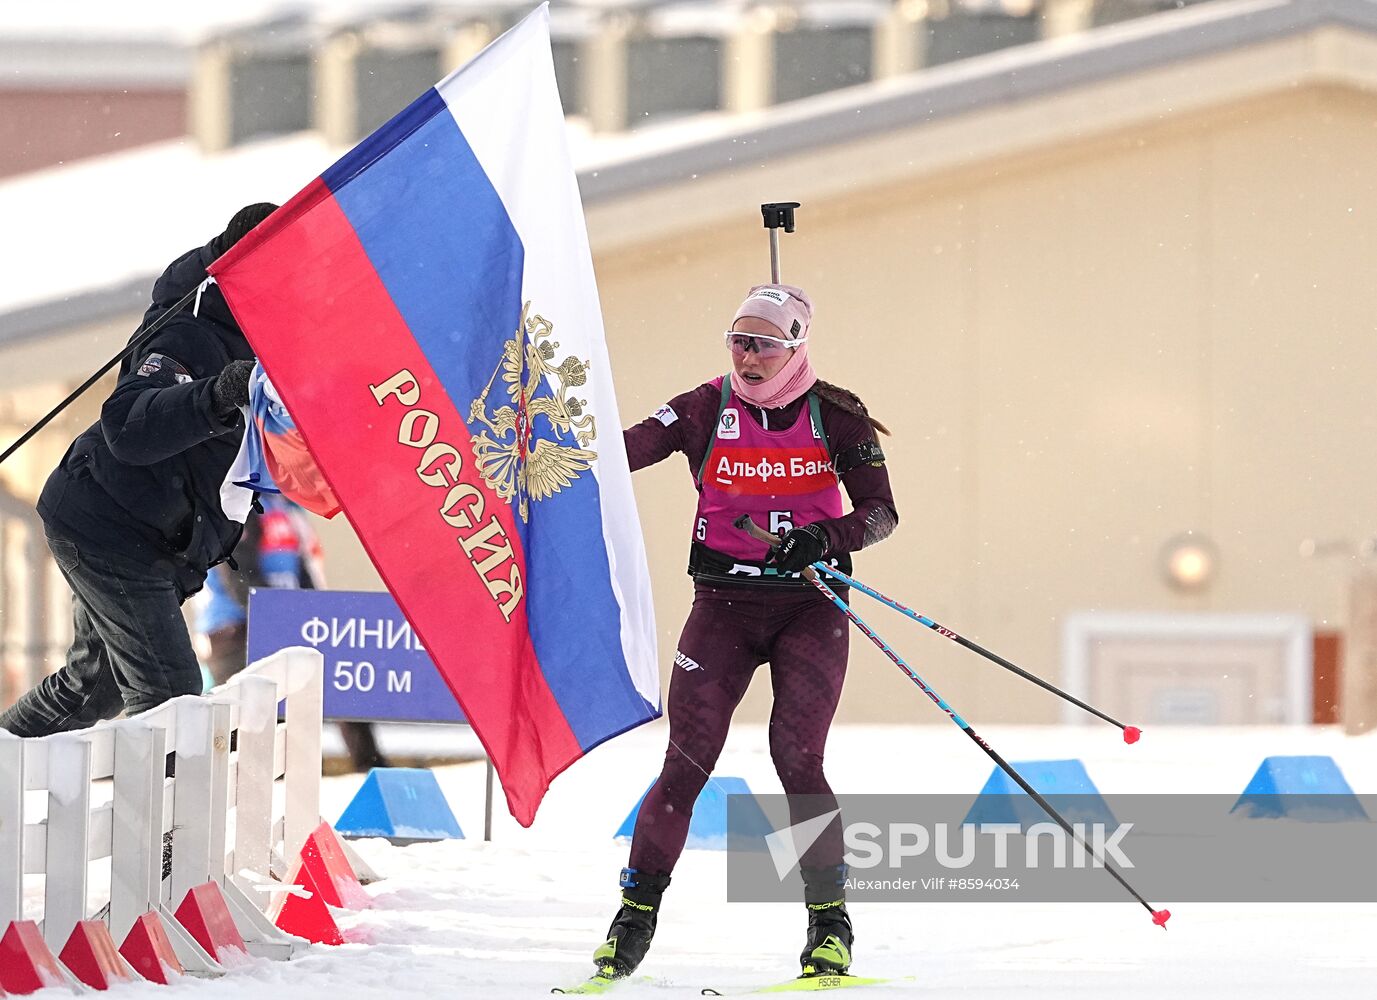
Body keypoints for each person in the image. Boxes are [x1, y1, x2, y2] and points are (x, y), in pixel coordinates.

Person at [593, 283, 898, 981]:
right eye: (738, 340)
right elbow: (624, 452)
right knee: (685, 762)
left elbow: (881, 515)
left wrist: (823, 537)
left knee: (795, 757)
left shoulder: (836, 414)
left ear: (796, 349)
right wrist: (555, 443)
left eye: (763, 343)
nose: (747, 355)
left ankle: (829, 929)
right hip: (722, 604)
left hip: (808, 606)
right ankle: (630, 922)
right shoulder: (704, 407)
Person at [0, 204, 279, 737]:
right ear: (246, 267)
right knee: (172, 698)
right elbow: (128, 426)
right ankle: (172, 823)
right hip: (113, 527)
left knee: (94, 687)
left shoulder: (263, 330)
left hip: (152, 531)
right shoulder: (192, 329)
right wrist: (215, 394)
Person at [197, 494, 388, 771]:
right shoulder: (235, 501)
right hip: (235, 627)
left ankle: (370, 769)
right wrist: (281, 618)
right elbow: (238, 574)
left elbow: (304, 569)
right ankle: (270, 781)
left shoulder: (287, 506)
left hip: (286, 617)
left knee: (340, 678)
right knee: (256, 717)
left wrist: (312, 615)